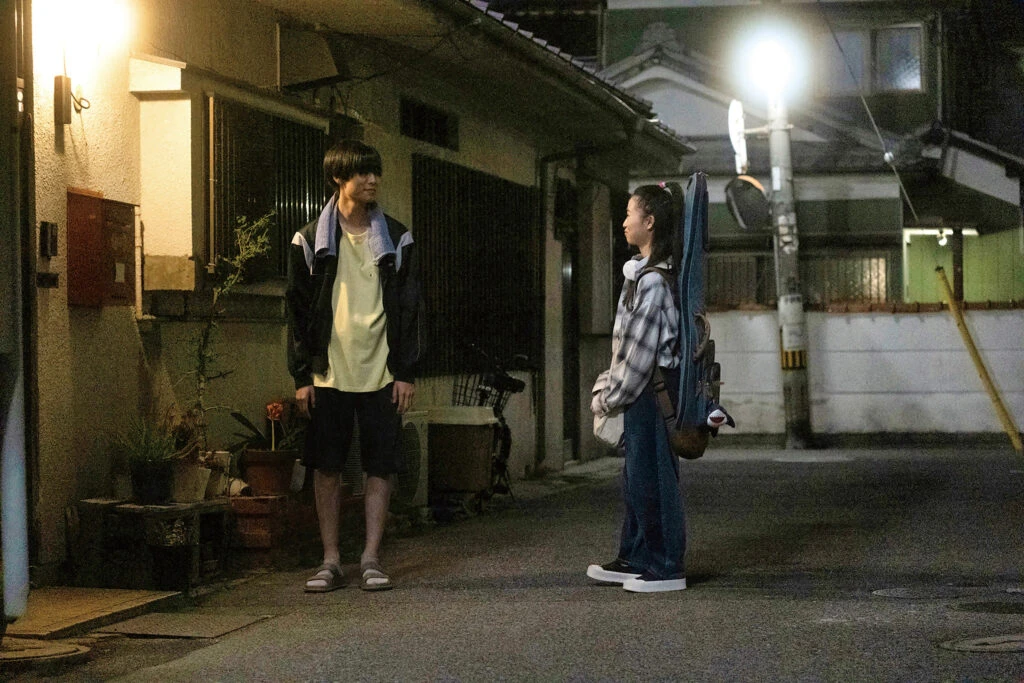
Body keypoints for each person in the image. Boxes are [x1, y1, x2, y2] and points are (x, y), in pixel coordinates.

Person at [286, 139, 422, 593]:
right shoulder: (310, 240)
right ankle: (330, 559)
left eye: (375, 172)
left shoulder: (397, 238)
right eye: (362, 173)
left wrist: (406, 371)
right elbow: (296, 312)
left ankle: (370, 557)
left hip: (381, 370)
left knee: (380, 465)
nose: (372, 180)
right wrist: (302, 375)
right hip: (329, 371)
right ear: (338, 178)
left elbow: (410, 307)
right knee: (326, 466)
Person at [587, 182, 687, 593]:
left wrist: (608, 397)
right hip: (645, 392)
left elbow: (639, 354)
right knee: (637, 478)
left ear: (650, 222)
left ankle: (666, 567)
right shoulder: (642, 275)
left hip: (651, 393)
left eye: (630, 213)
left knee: (653, 481)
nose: (624, 221)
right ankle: (636, 557)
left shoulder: (653, 283)